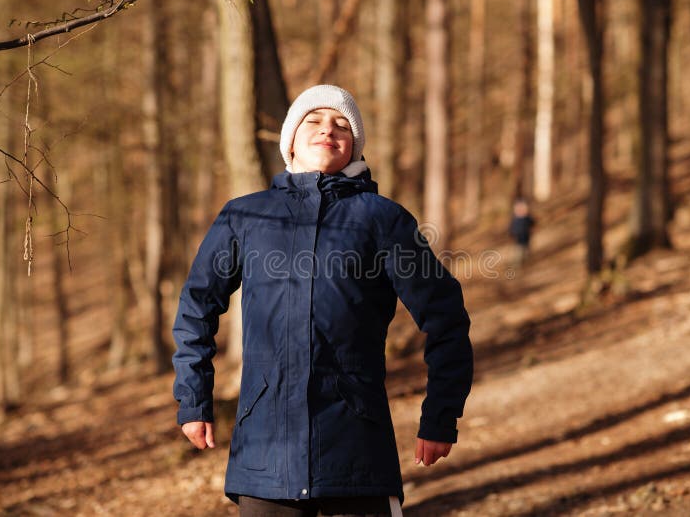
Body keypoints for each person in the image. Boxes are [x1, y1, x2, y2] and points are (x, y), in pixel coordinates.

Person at [172, 85, 473, 516]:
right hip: (263, 457)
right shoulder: (245, 216)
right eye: (313, 121)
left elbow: (445, 317)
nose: (327, 131)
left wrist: (441, 415)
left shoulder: (383, 219)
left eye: (342, 125)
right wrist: (194, 399)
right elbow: (196, 307)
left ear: (354, 146)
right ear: (290, 139)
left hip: (357, 453)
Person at [508, 197, 534, 266]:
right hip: (518, 237)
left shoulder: (527, 217)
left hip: (526, 236)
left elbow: (532, 223)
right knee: (518, 251)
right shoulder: (516, 218)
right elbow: (512, 226)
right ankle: (518, 263)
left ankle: (526, 262)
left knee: (526, 250)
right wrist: (512, 233)